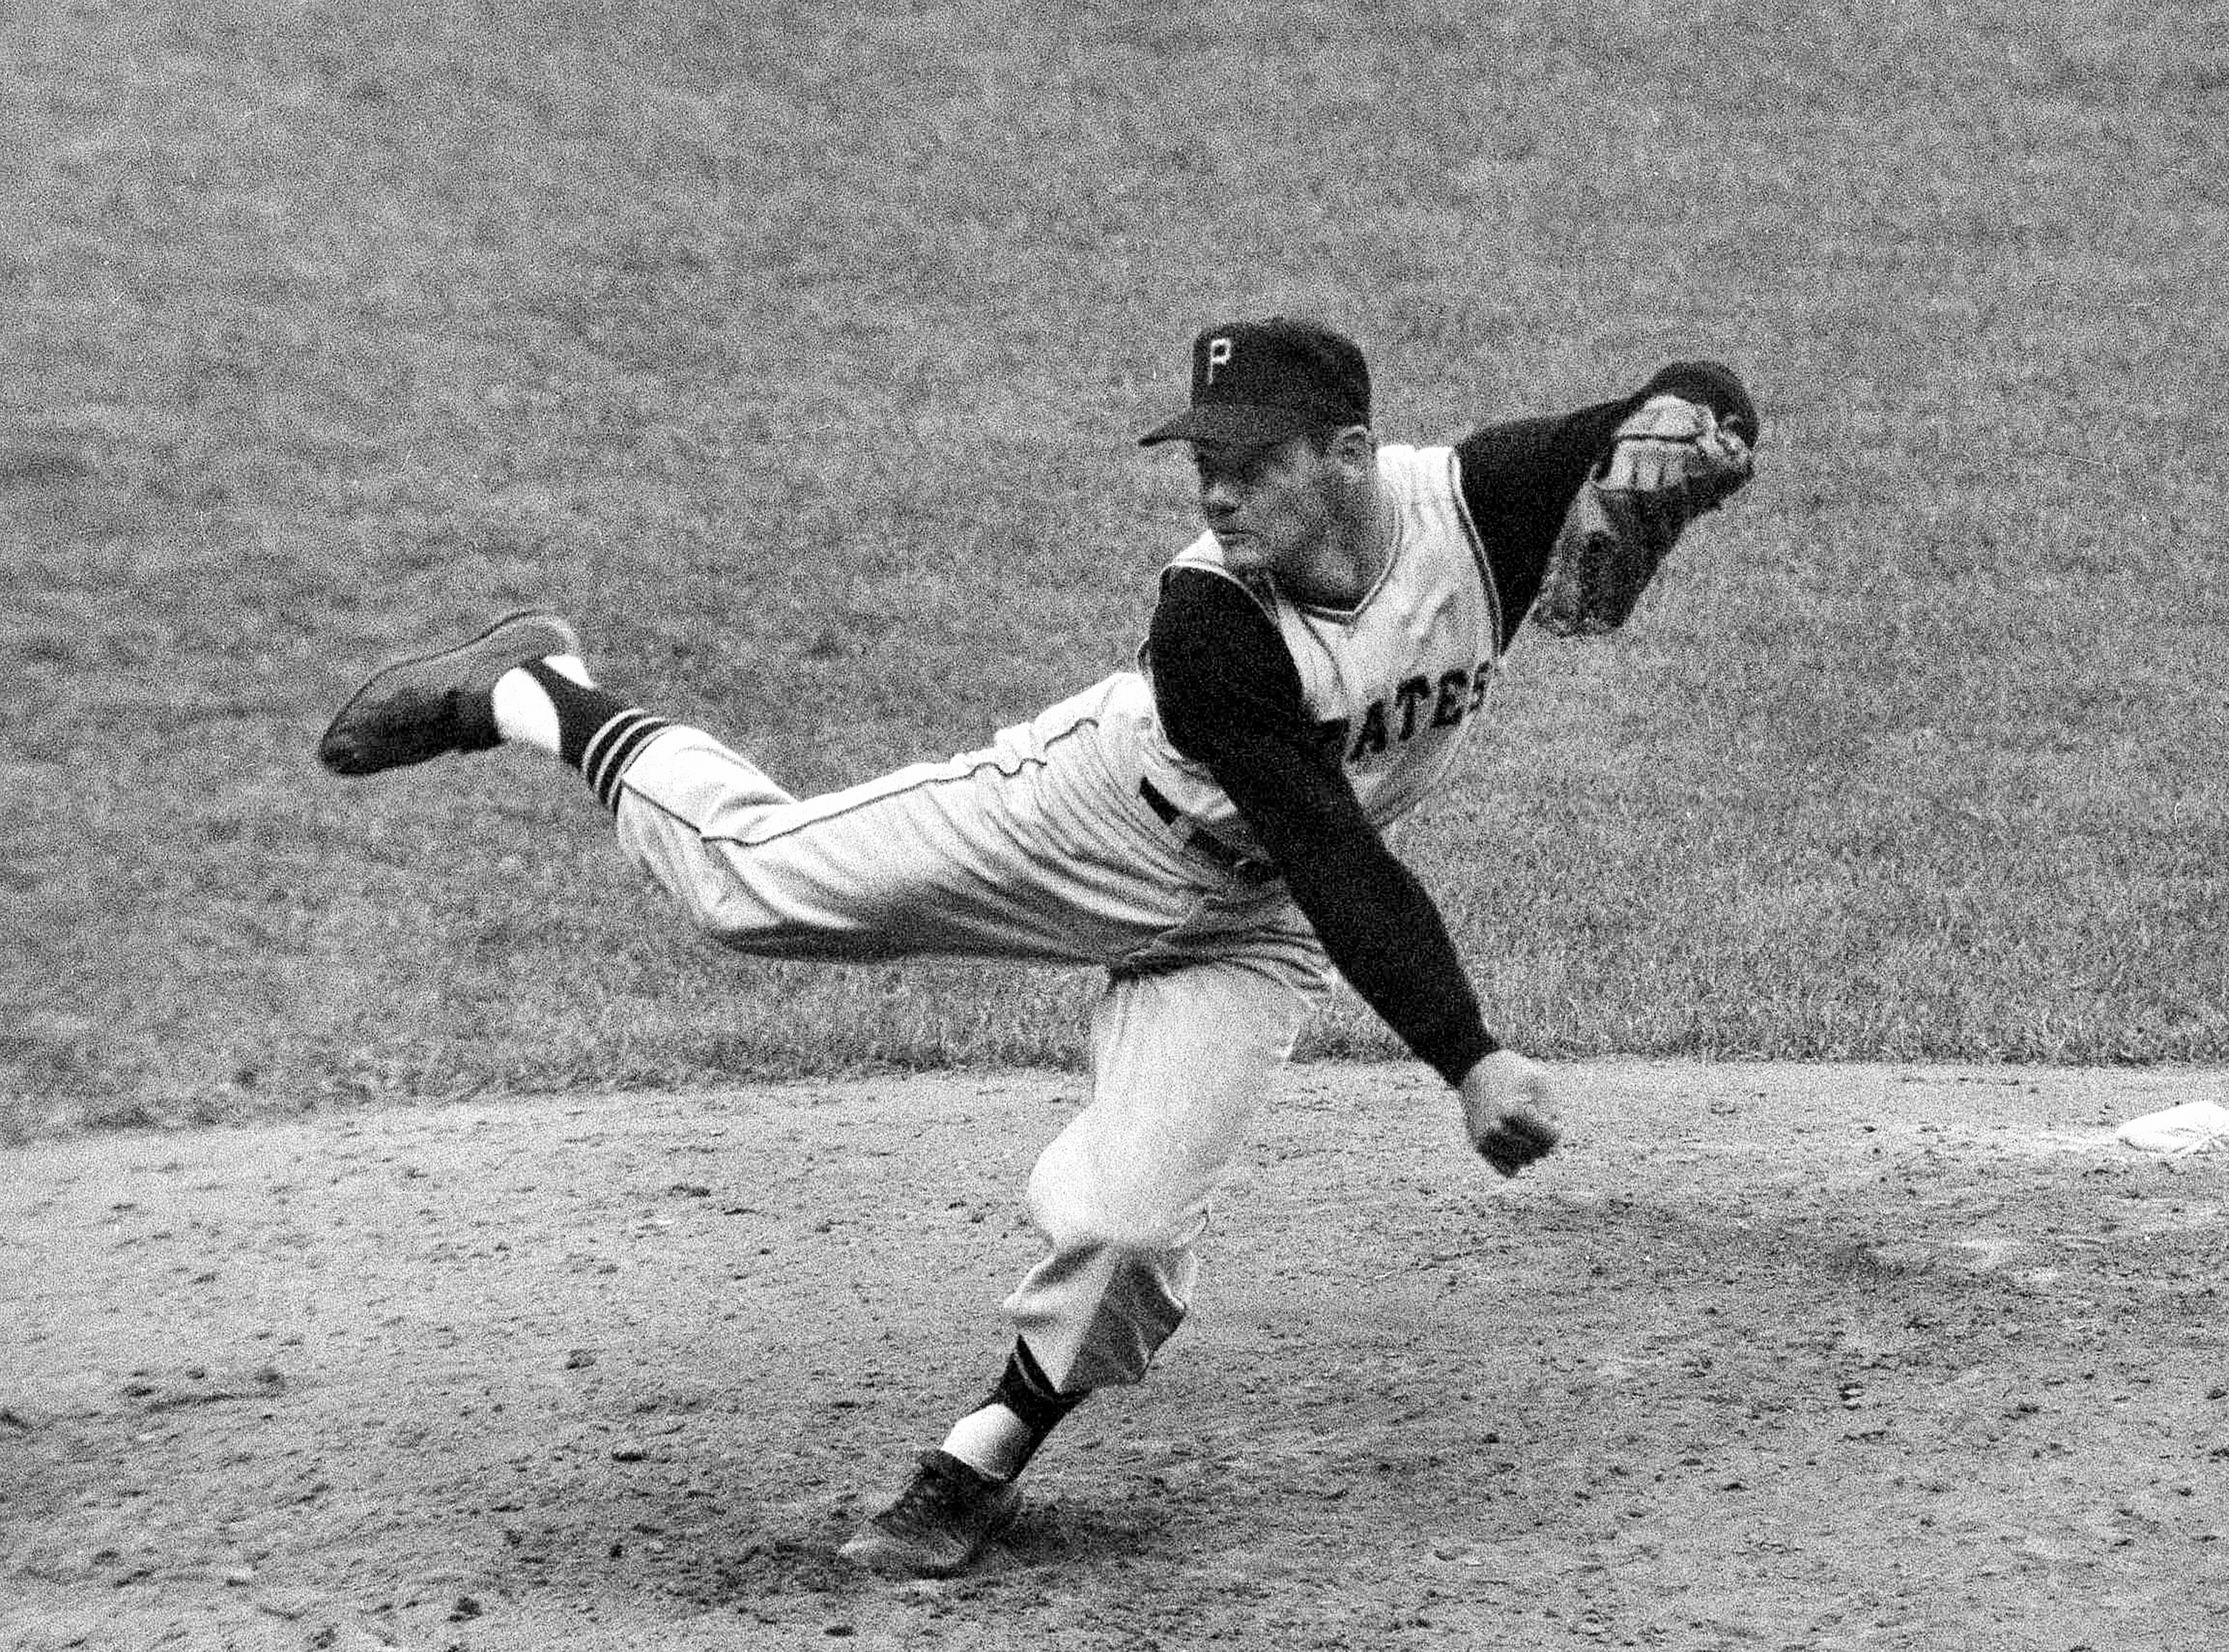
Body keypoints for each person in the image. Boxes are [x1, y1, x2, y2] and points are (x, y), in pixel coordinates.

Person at [319, 316, 1758, 1578]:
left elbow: (1690, 398)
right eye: (1201, 456)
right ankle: (535, 688)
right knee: (745, 888)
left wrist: (1678, 461)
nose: (1214, 486)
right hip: (1091, 822)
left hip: (1246, 932)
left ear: (1350, 453)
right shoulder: (1208, 617)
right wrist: (1468, 1053)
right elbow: (1332, 846)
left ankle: (976, 1460)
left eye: (1250, 461)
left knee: (1130, 1228)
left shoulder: (1485, 504)